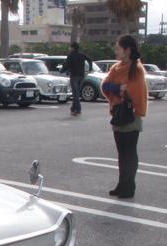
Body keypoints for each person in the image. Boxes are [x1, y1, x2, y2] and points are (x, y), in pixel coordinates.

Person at [101, 35, 148, 199]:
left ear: (127, 50)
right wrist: (118, 88)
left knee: (129, 152)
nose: (116, 51)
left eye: (118, 48)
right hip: (118, 113)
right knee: (122, 152)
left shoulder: (137, 68)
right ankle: (122, 184)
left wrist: (121, 90)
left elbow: (134, 92)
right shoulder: (116, 68)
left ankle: (129, 186)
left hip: (131, 115)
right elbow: (105, 86)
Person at [61, 42, 93, 116]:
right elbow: (90, 60)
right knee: (77, 93)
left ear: (73, 48)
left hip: (74, 76)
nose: (70, 49)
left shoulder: (71, 55)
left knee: (75, 93)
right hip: (81, 76)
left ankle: (78, 109)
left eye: (71, 47)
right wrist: (90, 69)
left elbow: (67, 65)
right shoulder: (81, 55)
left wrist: (62, 70)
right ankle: (73, 108)